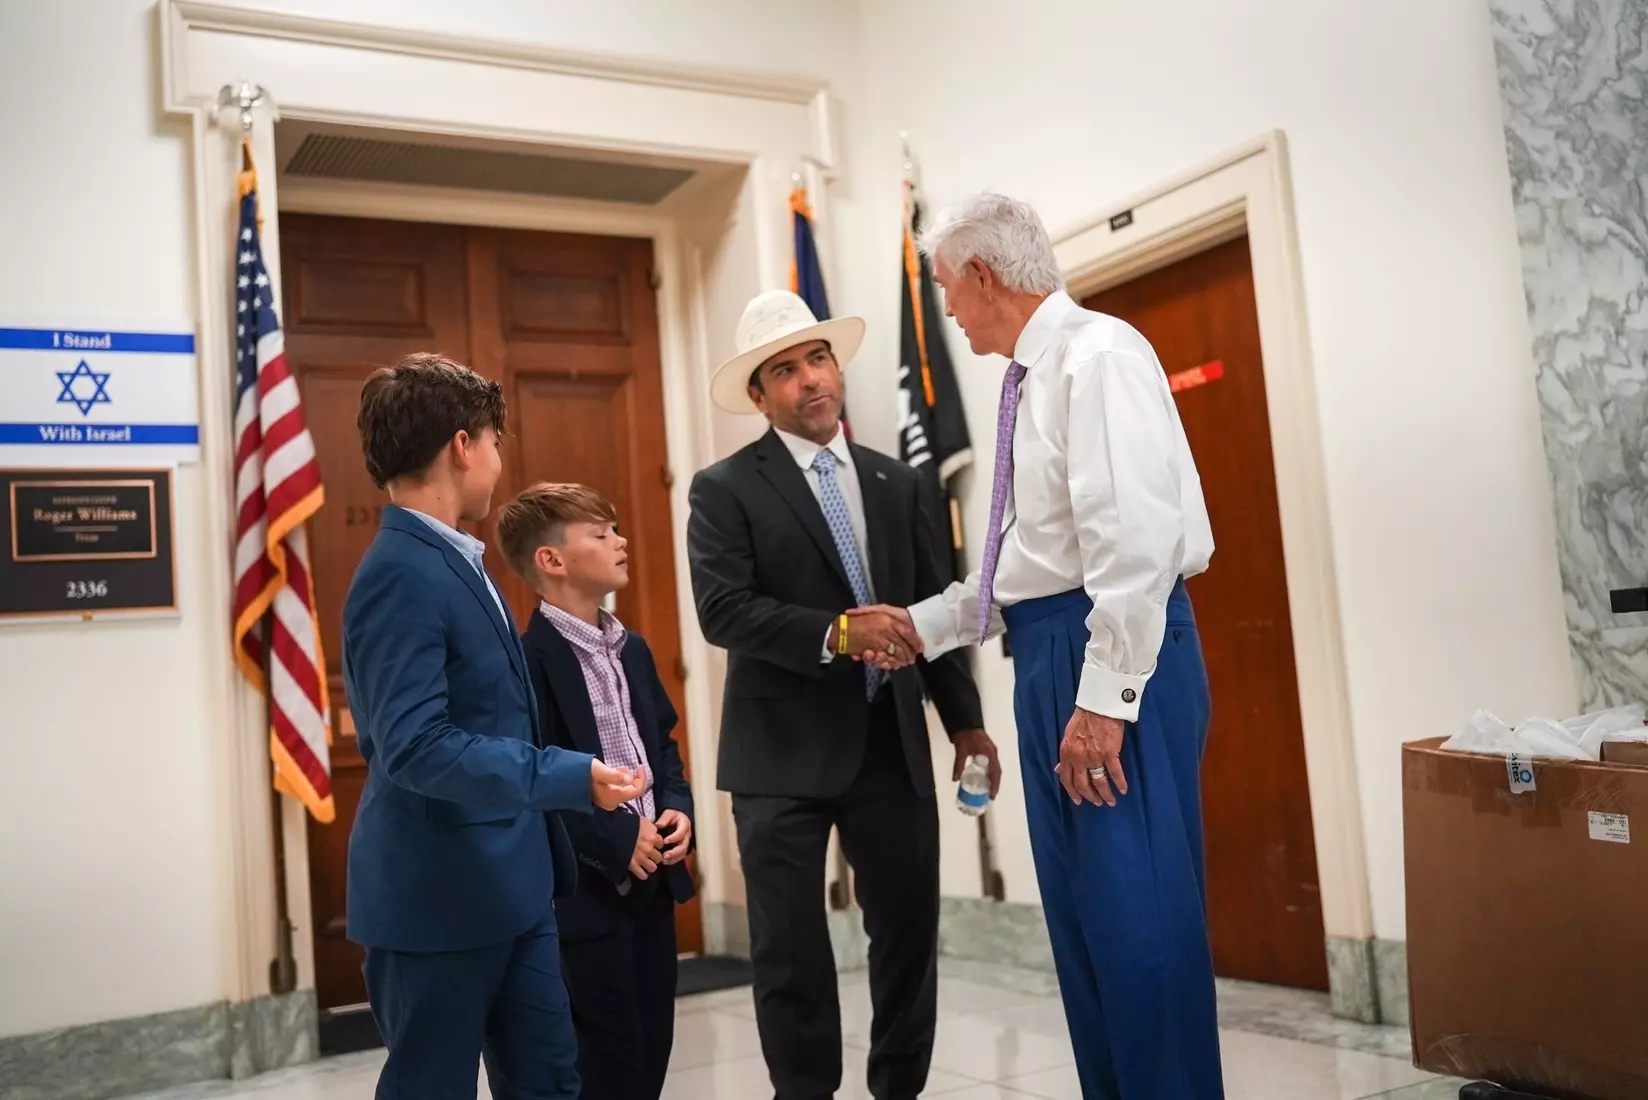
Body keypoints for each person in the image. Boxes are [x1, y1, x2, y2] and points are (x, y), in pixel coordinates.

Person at [858, 193, 1223, 1099]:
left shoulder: (1097, 357)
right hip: (1052, 648)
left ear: (983, 277)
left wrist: (1101, 702)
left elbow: (1133, 545)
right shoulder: (1031, 375)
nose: (946, 309)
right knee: (1090, 934)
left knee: (1140, 934)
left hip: (1111, 656)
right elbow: (1028, 563)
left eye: (947, 289)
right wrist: (926, 624)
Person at [686, 290, 1001, 1100]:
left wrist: (965, 724)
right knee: (790, 957)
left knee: (906, 945)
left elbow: (929, 610)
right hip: (777, 762)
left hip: (889, 748)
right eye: (784, 371)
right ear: (759, 397)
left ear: (837, 368)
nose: (809, 381)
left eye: (817, 360)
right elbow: (724, 611)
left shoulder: (899, 481)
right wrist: (837, 632)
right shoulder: (722, 489)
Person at [342, 353, 647, 1100]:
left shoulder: (458, 558)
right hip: (435, 902)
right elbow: (415, 744)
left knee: (549, 1083)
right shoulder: (399, 571)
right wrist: (568, 776)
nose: (499, 460)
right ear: (462, 446)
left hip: (513, 891)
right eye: (494, 441)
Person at [497, 482, 696, 1100]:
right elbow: (538, 775)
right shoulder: (530, 660)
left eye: (616, 529)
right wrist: (614, 838)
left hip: (654, 879)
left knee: (652, 1044)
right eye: (601, 533)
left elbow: (660, 743)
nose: (621, 541)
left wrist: (677, 809)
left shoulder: (630, 647)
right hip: (588, 893)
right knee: (607, 1057)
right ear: (551, 561)